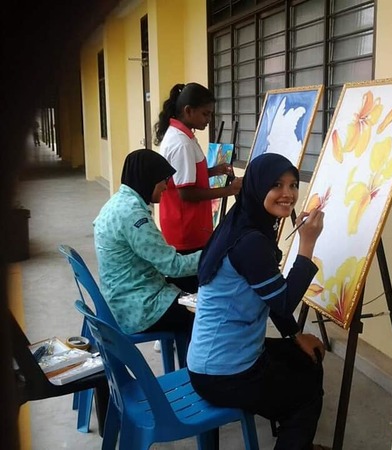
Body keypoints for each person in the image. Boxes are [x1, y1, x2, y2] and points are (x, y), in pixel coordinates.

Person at [187, 153, 329, 450]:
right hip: (224, 373)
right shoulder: (251, 242)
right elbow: (284, 300)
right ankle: (295, 437)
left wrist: (294, 335)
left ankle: (296, 440)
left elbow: (272, 294)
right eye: (276, 185)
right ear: (257, 186)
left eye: (293, 185)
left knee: (308, 360)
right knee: (305, 396)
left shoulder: (242, 221)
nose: (287, 194)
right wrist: (307, 244)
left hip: (219, 359)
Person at [93, 149, 198, 339]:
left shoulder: (118, 202)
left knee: (194, 282)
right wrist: (214, 253)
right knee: (211, 315)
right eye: (164, 180)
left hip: (125, 294)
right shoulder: (133, 215)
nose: (166, 187)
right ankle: (201, 366)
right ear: (148, 178)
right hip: (141, 308)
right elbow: (173, 266)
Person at [154, 82, 242, 294]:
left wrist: (214, 170)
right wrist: (228, 191)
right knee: (192, 290)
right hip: (186, 229)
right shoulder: (181, 143)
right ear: (188, 111)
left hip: (185, 225)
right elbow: (186, 193)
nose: (208, 119)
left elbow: (186, 177)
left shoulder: (182, 136)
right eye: (205, 114)